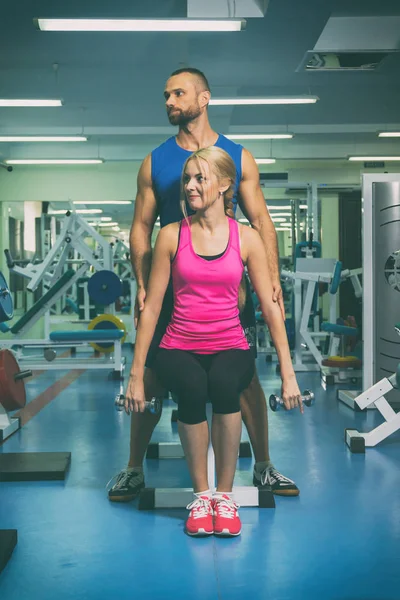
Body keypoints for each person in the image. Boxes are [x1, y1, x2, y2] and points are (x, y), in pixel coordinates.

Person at [107, 67, 300, 503]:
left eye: (178, 93)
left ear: (205, 98)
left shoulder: (237, 156)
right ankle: (134, 468)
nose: (170, 102)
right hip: (172, 282)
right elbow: (140, 228)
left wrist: (270, 281)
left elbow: (260, 221)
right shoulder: (155, 161)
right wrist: (141, 282)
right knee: (152, 373)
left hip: (230, 286)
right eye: (166, 95)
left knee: (242, 375)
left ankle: (264, 466)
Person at [126, 146, 302, 536]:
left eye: (199, 178)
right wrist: (136, 374)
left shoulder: (247, 238)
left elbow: (272, 310)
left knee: (225, 385)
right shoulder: (171, 236)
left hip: (230, 343)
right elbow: (152, 309)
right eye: (187, 178)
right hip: (179, 344)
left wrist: (289, 375)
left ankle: (224, 497)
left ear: (225, 185)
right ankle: (202, 495)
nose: (190, 185)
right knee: (190, 388)